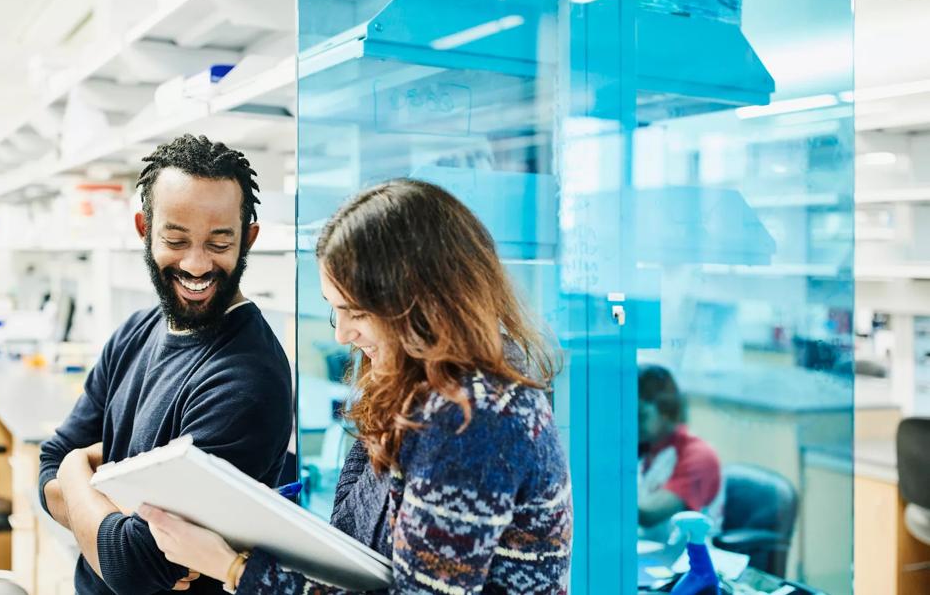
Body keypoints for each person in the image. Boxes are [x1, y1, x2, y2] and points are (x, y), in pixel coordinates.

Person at [141, 178, 573, 593]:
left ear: (426, 305)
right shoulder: (420, 385)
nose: (342, 335)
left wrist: (233, 567)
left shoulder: (475, 419)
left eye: (359, 313)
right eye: (335, 310)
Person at [37, 134, 294, 595]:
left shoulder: (246, 378)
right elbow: (48, 465)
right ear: (144, 228)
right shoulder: (136, 331)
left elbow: (131, 567)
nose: (196, 264)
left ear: (248, 239)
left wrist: (79, 473)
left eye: (219, 242)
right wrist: (93, 497)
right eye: (176, 239)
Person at [637, 364, 723, 543]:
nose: (631, 423)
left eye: (641, 415)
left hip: (688, 562)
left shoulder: (698, 455)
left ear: (666, 410)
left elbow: (649, 514)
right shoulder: (646, 449)